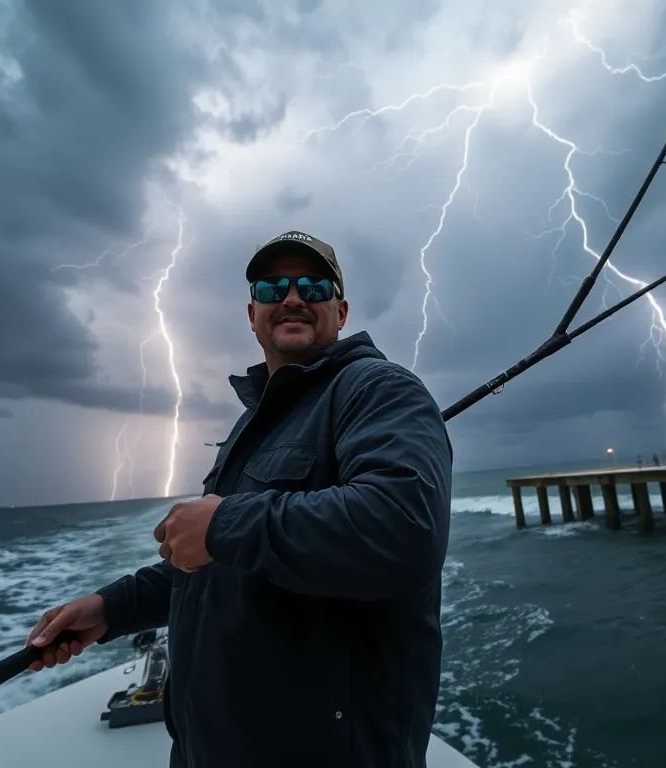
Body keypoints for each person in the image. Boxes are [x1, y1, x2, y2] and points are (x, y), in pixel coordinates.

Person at [24, 230, 455, 767]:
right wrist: (112, 608)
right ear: (252, 314)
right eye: (273, 287)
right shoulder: (252, 426)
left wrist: (225, 523)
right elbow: (219, 561)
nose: (292, 297)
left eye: (313, 286)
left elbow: (403, 529)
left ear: (340, 312)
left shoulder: (379, 389)